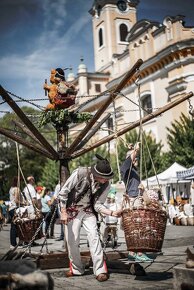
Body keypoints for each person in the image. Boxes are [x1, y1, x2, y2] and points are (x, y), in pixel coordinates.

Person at [58, 154, 122, 282]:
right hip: (72, 209)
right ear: (97, 174)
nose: (106, 180)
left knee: (94, 237)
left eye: (107, 178)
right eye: (104, 178)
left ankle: (100, 270)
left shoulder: (106, 185)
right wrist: (64, 212)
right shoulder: (80, 173)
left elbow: (98, 204)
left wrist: (112, 213)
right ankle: (76, 269)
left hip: (88, 210)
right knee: (72, 241)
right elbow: (63, 193)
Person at [120, 143, 153, 263]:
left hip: (136, 198)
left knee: (135, 228)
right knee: (137, 227)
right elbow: (131, 157)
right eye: (135, 158)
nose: (137, 159)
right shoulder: (125, 168)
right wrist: (136, 149)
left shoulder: (133, 171)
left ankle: (133, 252)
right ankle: (138, 252)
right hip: (133, 199)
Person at [8, 176, 26, 248]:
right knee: (17, 226)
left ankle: (15, 243)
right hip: (15, 209)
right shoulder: (17, 189)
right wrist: (24, 203)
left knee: (14, 226)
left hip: (11, 208)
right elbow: (16, 200)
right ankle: (14, 244)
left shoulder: (11, 188)